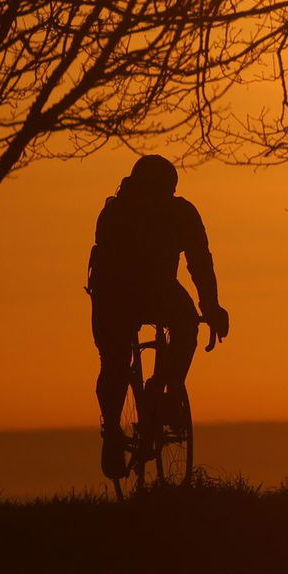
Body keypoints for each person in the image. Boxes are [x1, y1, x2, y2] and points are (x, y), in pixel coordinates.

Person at [88, 154, 230, 478]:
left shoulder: (128, 210)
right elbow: (199, 262)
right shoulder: (127, 213)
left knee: (122, 359)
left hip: (132, 292)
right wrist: (210, 307)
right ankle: (121, 424)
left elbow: (200, 261)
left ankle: (159, 394)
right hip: (120, 292)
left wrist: (210, 306)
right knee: (118, 360)